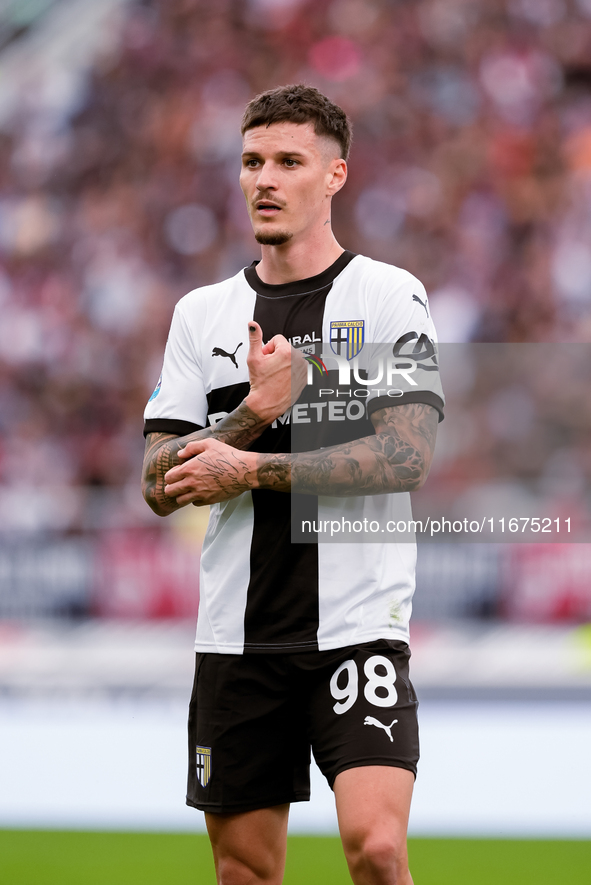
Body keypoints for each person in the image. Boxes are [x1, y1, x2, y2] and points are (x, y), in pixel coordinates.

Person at [141, 84, 444, 885]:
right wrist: (251, 413)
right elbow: (157, 484)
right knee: (245, 869)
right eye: (250, 162)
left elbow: (404, 456)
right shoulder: (201, 314)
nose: (263, 179)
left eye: (287, 161)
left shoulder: (386, 295)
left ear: (334, 175)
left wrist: (246, 467)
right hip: (236, 637)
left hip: (355, 625)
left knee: (375, 849)